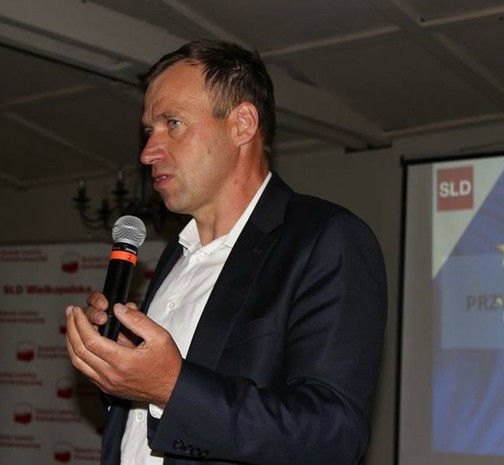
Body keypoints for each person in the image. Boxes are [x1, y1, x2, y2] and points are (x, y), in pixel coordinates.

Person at [65, 39, 387, 465]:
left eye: (172, 123)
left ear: (242, 125)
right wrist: (124, 368)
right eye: (149, 131)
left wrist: (170, 387)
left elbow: (334, 435)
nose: (147, 153)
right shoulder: (176, 256)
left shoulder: (324, 240)